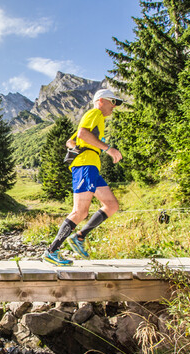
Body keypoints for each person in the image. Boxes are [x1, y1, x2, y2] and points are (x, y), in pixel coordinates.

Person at [42, 89, 124, 266]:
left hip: (91, 166)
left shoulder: (95, 119)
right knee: (80, 211)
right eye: (113, 102)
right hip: (85, 165)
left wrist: (74, 145)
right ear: (101, 100)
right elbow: (82, 134)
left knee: (112, 205)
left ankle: (79, 237)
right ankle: (52, 251)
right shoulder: (95, 113)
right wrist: (108, 149)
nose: (114, 106)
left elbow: (71, 140)